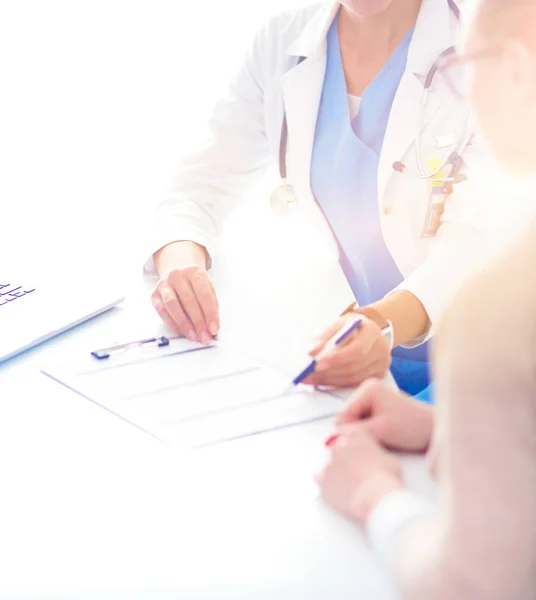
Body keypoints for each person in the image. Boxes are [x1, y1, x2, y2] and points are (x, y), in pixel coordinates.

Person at [147, 0, 491, 399]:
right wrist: (181, 267)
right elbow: (198, 185)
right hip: (357, 350)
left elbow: (480, 242)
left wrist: (383, 323)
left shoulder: (492, 52)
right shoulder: (282, 42)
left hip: (489, 358)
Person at [317, 1, 536, 597]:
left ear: (515, 69)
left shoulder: (501, 303)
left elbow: (474, 585)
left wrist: (375, 495)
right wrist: (443, 427)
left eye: (467, 65)